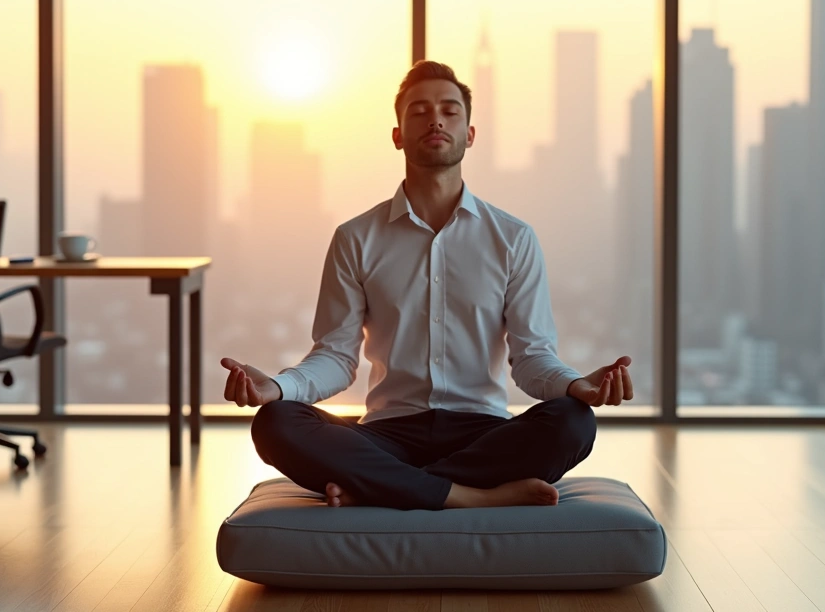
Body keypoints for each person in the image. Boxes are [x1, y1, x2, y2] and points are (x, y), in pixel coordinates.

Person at [221, 60, 634, 511]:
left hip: (484, 433)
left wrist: (579, 387)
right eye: (419, 110)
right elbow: (336, 357)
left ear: (469, 134)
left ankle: (386, 490)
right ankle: (469, 497)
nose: (435, 119)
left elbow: (532, 357)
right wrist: (277, 388)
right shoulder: (356, 237)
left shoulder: (513, 238)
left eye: (449, 110)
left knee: (573, 422)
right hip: (387, 434)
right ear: (398, 135)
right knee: (276, 423)